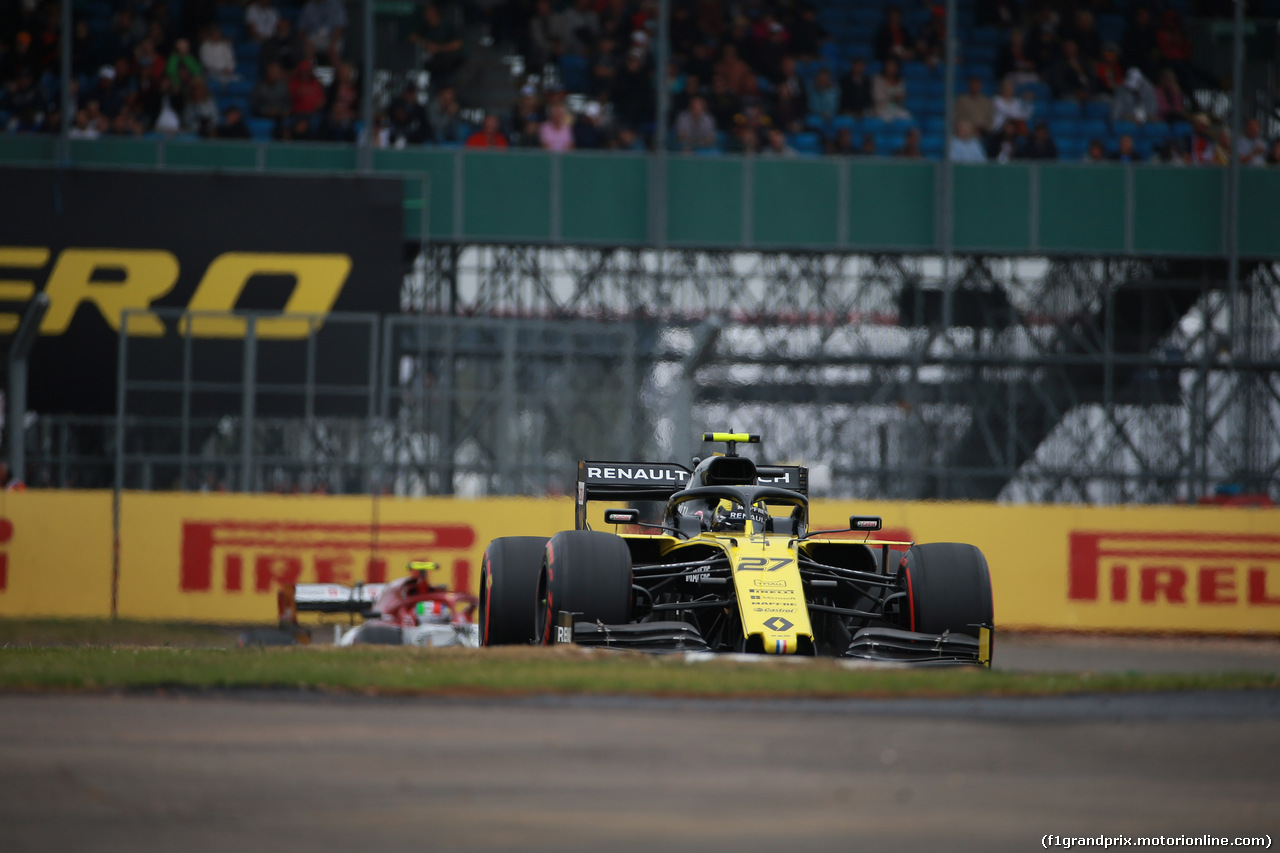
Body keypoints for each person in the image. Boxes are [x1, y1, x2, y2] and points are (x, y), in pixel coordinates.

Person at [411, 3, 465, 86]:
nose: (426, 14)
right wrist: (425, 44)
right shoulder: (425, 27)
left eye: (429, 12)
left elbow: (458, 44)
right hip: (430, 68)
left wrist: (438, 48)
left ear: (436, 13)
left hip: (449, 67)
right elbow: (413, 38)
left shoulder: (448, 26)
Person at [297, 0, 347, 64]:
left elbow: (340, 27)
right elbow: (301, 28)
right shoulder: (309, 6)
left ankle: (339, 71)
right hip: (316, 37)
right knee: (308, 45)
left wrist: (332, 43)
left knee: (333, 50)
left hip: (333, 38)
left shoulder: (335, 4)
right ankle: (310, 71)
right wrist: (304, 41)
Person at [872, 57, 909, 121]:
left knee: (907, 118)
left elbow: (901, 97)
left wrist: (899, 98)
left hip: (896, 109)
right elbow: (878, 97)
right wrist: (894, 97)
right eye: (889, 66)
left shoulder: (900, 81)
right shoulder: (878, 79)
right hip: (881, 109)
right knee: (888, 120)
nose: (890, 68)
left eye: (893, 66)